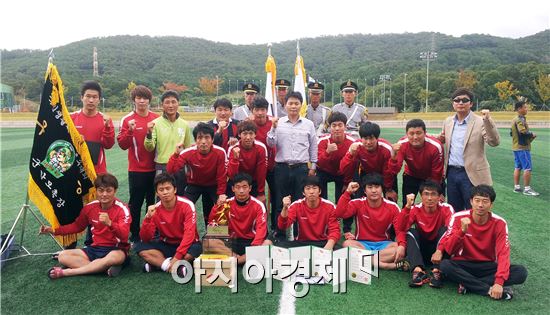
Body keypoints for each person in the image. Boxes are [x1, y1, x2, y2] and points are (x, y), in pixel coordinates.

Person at [440, 185, 527, 300]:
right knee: (445, 265)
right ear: (471, 201)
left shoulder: (499, 223)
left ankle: (468, 285)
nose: (480, 205)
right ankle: (487, 289)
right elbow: (449, 249)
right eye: (477, 200)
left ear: (491, 204)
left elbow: (503, 253)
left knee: (521, 272)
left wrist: (499, 282)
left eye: (485, 201)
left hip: (486, 266)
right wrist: (462, 232)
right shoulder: (458, 217)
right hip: (463, 264)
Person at [40, 173, 130, 279]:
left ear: (115, 191)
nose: (104, 194)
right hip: (94, 249)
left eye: (108, 190)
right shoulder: (90, 208)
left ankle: (67, 272)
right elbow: (77, 226)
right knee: (62, 256)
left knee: (113, 258)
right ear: (96, 191)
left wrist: (110, 223)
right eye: (101, 190)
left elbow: (124, 235)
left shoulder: (123, 209)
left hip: (115, 250)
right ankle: (103, 268)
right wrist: (54, 230)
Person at [267, 91, 318, 239]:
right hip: (281, 168)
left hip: (301, 168)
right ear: (285, 105)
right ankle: (280, 233)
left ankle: (298, 233)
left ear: (301, 105)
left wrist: (313, 166)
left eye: (296, 103)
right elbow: (270, 144)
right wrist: (273, 128)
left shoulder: (308, 124)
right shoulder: (279, 122)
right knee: (279, 201)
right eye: (290, 103)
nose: (293, 106)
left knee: (299, 202)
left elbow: (313, 146)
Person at [439, 88, 500, 211]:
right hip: (452, 173)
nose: (460, 103)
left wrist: (487, 120)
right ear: (453, 103)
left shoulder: (480, 121)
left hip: (472, 174)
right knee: (454, 210)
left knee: (473, 210)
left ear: (471, 103)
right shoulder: (448, 121)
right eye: (457, 100)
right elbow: (442, 138)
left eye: (464, 100)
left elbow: (494, 142)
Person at [336, 173, 408, 270]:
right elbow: (340, 213)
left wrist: (402, 245)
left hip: (384, 244)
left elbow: (400, 229)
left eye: (377, 187)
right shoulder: (357, 203)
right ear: (364, 190)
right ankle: (384, 265)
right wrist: (347, 192)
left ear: (382, 189)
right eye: (370, 187)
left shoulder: (392, 207)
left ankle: (363, 260)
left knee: (397, 247)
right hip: (362, 244)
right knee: (347, 244)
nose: (374, 190)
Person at [135, 173, 202, 275]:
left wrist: (177, 256)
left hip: (188, 243)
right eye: (161, 190)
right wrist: (148, 219)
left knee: (192, 253)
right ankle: (172, 267)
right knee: (139, 247)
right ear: (157, 193)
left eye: (168, 188)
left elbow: (189, 234)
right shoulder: (155, 209)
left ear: (174, 190)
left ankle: (158, 263)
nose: (165, 192)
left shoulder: (187, 205)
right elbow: (145, 238)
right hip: (167, 244)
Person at [339, 122, 397, 238]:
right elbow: (343, 168)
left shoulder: (386, 149)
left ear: (377, 138)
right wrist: (350, 154)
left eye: (371, 138)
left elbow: (389, 171)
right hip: (365, 174)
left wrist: (389, 188)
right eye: (365, 139)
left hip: (384, 174)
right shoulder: (356, 146)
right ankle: (347, 230)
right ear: (361, 138)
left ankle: (392, 234)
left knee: (391, 200)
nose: (368, 142)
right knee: (356, 200)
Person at [117, 85, 159, 243]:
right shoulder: (127, 120)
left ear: (149, 100)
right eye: (138, 98)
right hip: (136, 170)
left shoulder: (156, 118)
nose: (142, 101)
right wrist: (130, 131)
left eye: (145, 98)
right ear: (134, 100)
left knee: (153, 202)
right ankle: (134, 235)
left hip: (155, 169)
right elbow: (122, 145)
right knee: (135, 204)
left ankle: (152, 233)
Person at [167, 123, 227, 227]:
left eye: (207, 137)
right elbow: (172, 170)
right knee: (184, 206)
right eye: (200, 138)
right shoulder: (187, 152)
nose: (203, 141)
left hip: (213, 185)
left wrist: (221, 194)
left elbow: (222, 175)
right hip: (194, 184)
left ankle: (218, 236)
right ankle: (183, 233)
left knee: (223, 205)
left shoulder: (220, 152)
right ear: (195, 140)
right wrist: (176, 154)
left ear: (212, 139)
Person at [397, 181, 454, 288]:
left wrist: (439, 250)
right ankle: (418, 270)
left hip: (439, 252)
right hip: (422, 251)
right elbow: (401, 228)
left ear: (439, 197)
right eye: (426, 194)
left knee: (446, 230)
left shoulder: (446, 209)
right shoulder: (415, 209)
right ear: (421, 196)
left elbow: (451, 232)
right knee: (410, 232)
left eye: (433, 194)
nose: (429, 198)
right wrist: (407, 207)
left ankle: (437, 271)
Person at [208, 173, 271, 265]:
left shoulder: (258, 205)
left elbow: (261, 231)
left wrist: (254, 248)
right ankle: (243, 258)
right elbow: (212, 225)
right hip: (232, 241)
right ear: (233, 189)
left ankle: (236, 261)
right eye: (238, 187)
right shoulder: (226, 203)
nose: (241, 191)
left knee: (267, 243)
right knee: (210, 241)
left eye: (245, 187)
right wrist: (217, 206)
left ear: (250, 188)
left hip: (251, 242)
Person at [144, 90, 193, 196]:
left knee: (180, 197)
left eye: (173, 102)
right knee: (162, 197)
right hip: (162, 167)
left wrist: (189, 169)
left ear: (178, 103)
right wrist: (148, 133)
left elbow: (188, 148)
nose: (171, 105)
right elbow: (149, 147)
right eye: (167, 102)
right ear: (162, 105)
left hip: (180, 167)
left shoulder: (184, 124)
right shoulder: (155, 124)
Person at [389, 119, 444, 206]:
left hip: (431, 177)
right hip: (411, 176)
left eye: (418, 133)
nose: (415, 137)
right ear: (407, 134)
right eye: (411, 134)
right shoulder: (402, 145)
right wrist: (394, 157)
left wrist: (436, 190)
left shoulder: (435, 146)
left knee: (435, 205)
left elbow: (437, 172)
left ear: (425, 133)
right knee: (407, 205)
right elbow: (394, 170)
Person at [277, 176, 340, 249]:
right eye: (308, 188)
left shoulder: (330, 207)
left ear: (320, 191)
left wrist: (329, 246)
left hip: (322, 242)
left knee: (340, 250)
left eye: (314, 188)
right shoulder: (296, 205)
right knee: (281, 247)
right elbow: (282, 226)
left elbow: (335, 230)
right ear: (303, 192)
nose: (311, 192)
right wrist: (285, 208)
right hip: (302, 243)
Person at [70, 80, 114, 174]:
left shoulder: (106, 120)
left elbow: (108, 145)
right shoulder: (71, 118)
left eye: (94, 97)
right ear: (82, 97)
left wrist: (107, 128)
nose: (91, 100)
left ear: (99, 99)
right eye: (88, 96)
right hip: (74, 169)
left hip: (97, 171)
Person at [251, 96, 278, 231]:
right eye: (257, 110)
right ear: (252, 111)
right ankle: (257, 227)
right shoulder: (248, 124)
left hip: (273, 167)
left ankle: (275, 226)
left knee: (276, 197)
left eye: (263, 109)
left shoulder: (274, 123)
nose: (260, 113)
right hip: (255, 168)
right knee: (256, 197)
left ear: (267, 111)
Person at [317, 112, 354, 203]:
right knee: (320, 197)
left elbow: (352, 166)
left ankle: (346, 216)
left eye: (340, 125)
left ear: (345, 127)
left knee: (344, 199)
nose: (337, 128)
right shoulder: (322, 141)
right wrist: (327, 152)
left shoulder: (352, 143)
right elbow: (319, 163)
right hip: (324, 171)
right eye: (334, 125)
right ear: (329, 127)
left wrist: (347, 182)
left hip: (342, 173)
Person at [227, 120, 268, 203]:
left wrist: (261, 193)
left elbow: (261, 172)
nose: (248, 137)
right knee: (227, 206)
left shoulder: (261, 148)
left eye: (251, 133)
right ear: (239, 135)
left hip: (253, 182)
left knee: (260, 205)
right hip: (236, 181)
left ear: (255, 134)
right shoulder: (233, 148)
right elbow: (231, 175)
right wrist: (235, 159)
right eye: (245, 134)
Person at [511, 101, 539, 196]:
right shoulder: (520, 119)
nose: (526, 109)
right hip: (522, 147)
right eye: (525, 107)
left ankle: (517, 187)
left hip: (516, 147)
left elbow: (511, 133)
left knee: (518, 167)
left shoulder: (515, 119)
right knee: (527, 168)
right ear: (519, 109)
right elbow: (522, 131)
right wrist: (532, 134)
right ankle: (527, 189)